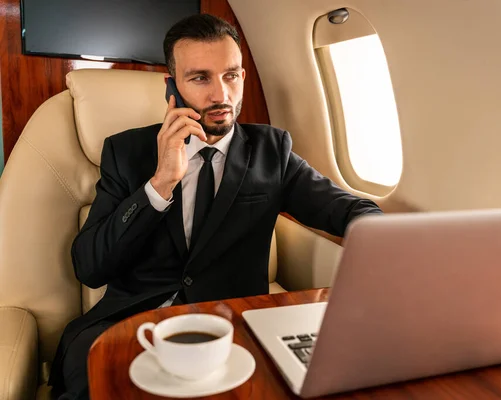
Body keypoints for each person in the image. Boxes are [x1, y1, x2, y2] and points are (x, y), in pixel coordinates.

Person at [48, 13, 383, 399]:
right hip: (134, 321)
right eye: (200, 78)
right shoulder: (126, 152)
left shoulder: (272, 150)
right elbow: (89, 267)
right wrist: (160, 185)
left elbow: (345, 209)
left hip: (235, 322)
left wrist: (383, 238)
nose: (221, 95)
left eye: (232, 75)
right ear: (171, 87)